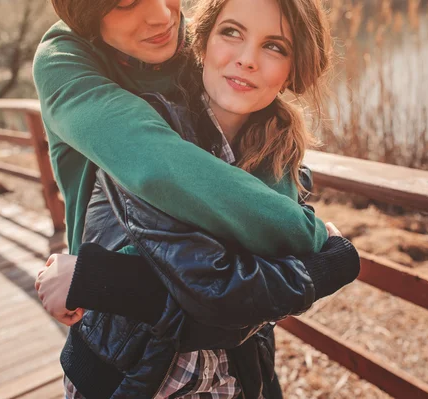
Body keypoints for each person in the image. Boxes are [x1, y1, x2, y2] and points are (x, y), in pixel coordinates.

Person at [34, 0, 360, 397]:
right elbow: (160, 176)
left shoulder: (269, 135)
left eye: (275, 47)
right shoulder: (107, 102)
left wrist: (99, 280)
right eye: (125, 3)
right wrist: (320, 252)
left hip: (230, 371)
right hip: (123, 356)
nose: (163, 16)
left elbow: (253, 300)